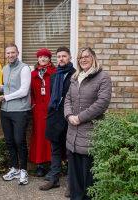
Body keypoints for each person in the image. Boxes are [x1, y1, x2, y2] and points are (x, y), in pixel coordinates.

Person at [64, 46, 112, 200]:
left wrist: (80, 117)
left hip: (91, 133)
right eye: (80, 57)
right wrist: (69, 115)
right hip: (73, 134)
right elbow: (68, 99)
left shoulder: (103, 77)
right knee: (75, 175)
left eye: (86, 56)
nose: (83, 59)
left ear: (93, 58)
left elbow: (102, 103)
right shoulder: (75, 77)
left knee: (90, 176)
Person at [39, 46, 75, 198]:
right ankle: (54, 179)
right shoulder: (53, 76)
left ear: (70, 58)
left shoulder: (75, 75)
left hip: (70, 117)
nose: (61, 59)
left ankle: (71, 184)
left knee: (72, 152)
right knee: (55, 150)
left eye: (64, 56)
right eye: (59, 56)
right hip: (54, 116)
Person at [0, 43, 31, 185]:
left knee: (19, 141)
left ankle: (24, 171)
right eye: (8, 53)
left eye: (12, 52)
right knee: (10, 141)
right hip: (5, 111)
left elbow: (23, 90)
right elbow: (10, 87)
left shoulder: (24, 68)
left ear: (18, 53)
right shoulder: (5, 68)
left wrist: (5, 97)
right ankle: (15, 170)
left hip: (20, 111)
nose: (10, 55)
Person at [29, 48, 56, 177]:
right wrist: (33, 104)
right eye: (40, 57)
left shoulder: (55, 72)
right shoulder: (34, 73)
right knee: (39, 138)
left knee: (51, 138)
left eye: (45, 57)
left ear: (49, 59)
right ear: (38, 59)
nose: (43, 59)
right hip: (39, 110)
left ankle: (53, 167)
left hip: (52, 109)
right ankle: (39, 166)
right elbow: (31, 92)